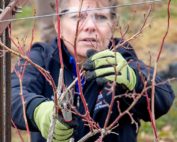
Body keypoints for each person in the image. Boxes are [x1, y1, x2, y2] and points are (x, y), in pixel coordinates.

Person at [11, 0, 175, 142]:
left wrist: (136, 81)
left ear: (113, 26)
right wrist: (38, 111)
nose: (90, 26)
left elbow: (164, 97)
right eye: (77, 16)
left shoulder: (122, 57)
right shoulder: (42, 58)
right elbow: (11, 94)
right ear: (58, 25)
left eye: (101, 17)